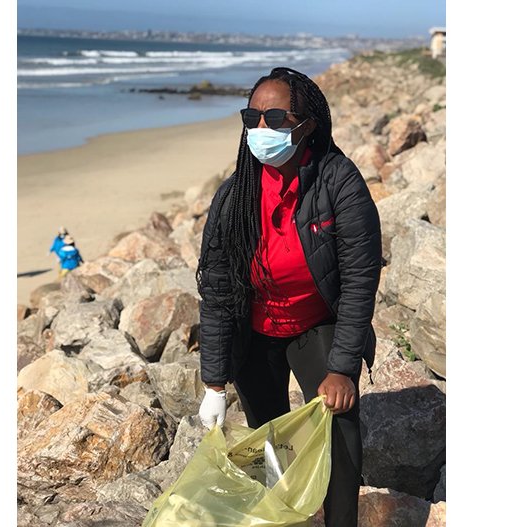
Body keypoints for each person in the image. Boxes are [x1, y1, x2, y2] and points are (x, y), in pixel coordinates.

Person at [194, 67, 382, 526]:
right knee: (267, 443)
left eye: (275, 118)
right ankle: (282, 519)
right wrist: (214, 384)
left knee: (338, 424)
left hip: (316, 323)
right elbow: (217, 292)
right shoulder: (233, 196)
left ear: (306, 125)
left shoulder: (340, 183)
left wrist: (342, 368)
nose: (261, 130)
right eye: (251, 117)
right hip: (254, 331)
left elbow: (360, 279)